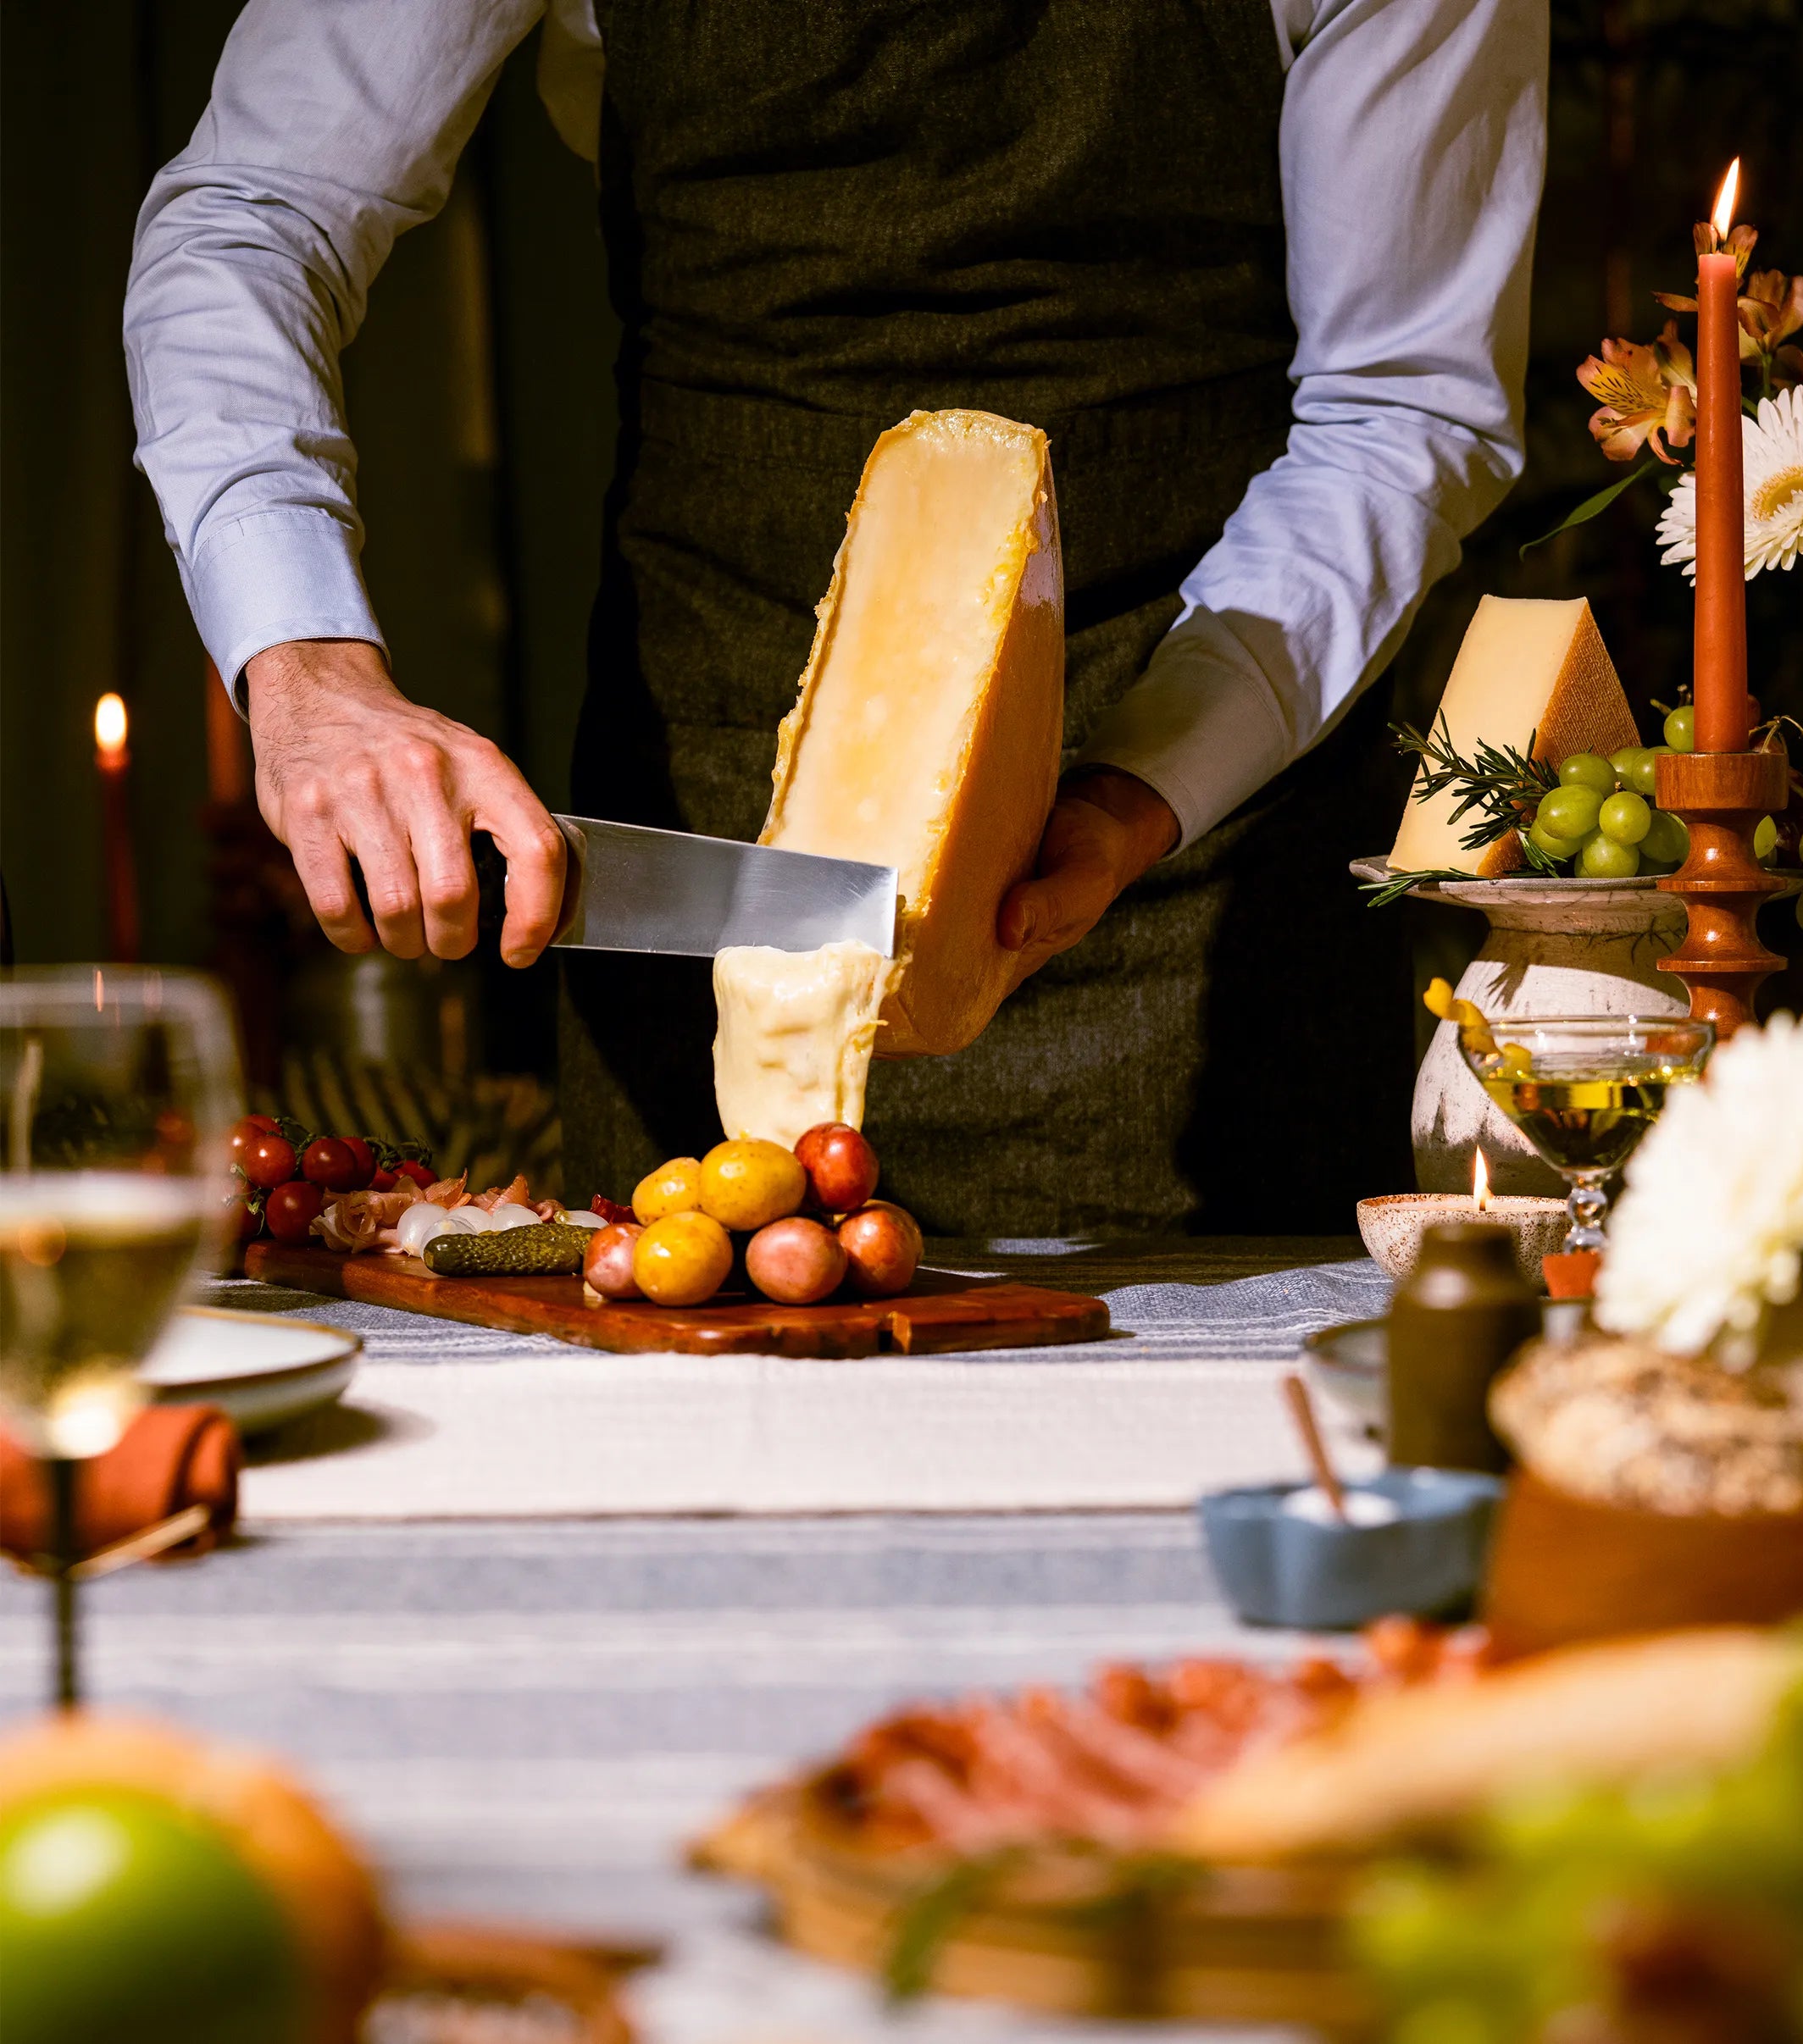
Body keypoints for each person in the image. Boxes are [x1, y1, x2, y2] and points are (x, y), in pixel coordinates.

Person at [125, 0, 1545, 1235]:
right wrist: (307, 669)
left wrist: (1138, 794)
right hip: (712, 866)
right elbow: (255, 217)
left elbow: (1399, 409)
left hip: (1191, 881)